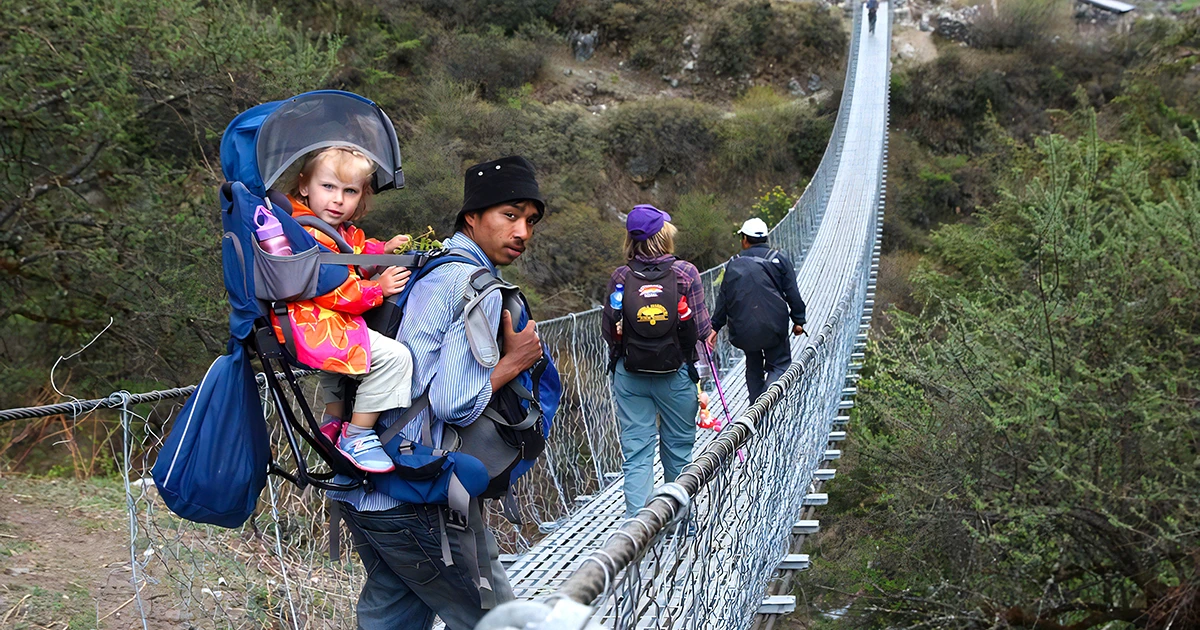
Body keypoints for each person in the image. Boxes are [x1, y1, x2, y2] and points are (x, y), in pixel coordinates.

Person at [328, 156, 548, 630]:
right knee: (499, 621)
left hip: (361, 480)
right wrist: (513, 362)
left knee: (395, 614)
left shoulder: (423, 265)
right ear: (472, 216)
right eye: (509, 215)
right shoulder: (475, 285)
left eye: (530, 220)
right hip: (418, 491)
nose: (523, 232)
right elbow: (452, 402)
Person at [278, 146, 415, 474]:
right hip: (314, 323)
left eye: (349, 191)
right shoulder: (306, 234)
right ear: (304, 186)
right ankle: (358, 434)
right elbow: (332, 288)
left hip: (313, 322)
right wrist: (377, 289)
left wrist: (382, 250)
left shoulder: (323, 227)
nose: (338, 199)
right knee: (396, 358)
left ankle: (333, 422)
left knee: (337, 367)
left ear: (362, 196)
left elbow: (350, 252)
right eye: (328, 187)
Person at [602, 205, 712, 518]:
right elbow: (702, 330)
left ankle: (638, 531)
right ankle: (682, 523)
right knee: (678, 452)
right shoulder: (686, 273)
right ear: (664, 235)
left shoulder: (621, 276)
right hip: (676, 374)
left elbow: (610, 329)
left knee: (637, 453)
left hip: (630, 373)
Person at [707, 217, 806, 402]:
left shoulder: (733, 263)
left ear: (744, 239)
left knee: (753, 364)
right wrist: (799, 320)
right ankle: (766, 401)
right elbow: (792, 292)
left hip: (744, 327)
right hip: (774, 326)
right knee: (780, 364)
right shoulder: (779, 259)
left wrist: (715, 327)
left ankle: (756, 408)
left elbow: (724, 298)